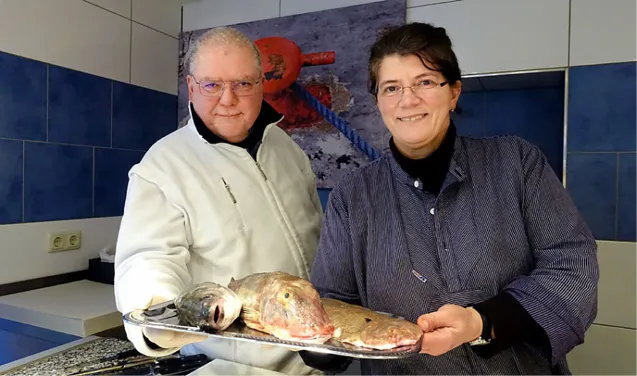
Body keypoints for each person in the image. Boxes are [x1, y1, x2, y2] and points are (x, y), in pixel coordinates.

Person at [301, 22, 599, 375]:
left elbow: (572, 265)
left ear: (454, 92)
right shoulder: (352, 196)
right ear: (378, 101)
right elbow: (333, 307)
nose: (407, 100)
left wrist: (482, 322)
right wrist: (310, 340)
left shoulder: (517, 163)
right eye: (391, 87)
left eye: (425, 82)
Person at [114, 26, 324, 375]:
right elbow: (148, 259)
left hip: (316, 356)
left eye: (242, 84)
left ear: (260, 85)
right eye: (212, 85)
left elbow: (316, 238)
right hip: (238, 366)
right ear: (192, 88)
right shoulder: (163, 165)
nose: (228, 99)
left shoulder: (288, 150)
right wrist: (154, 315)